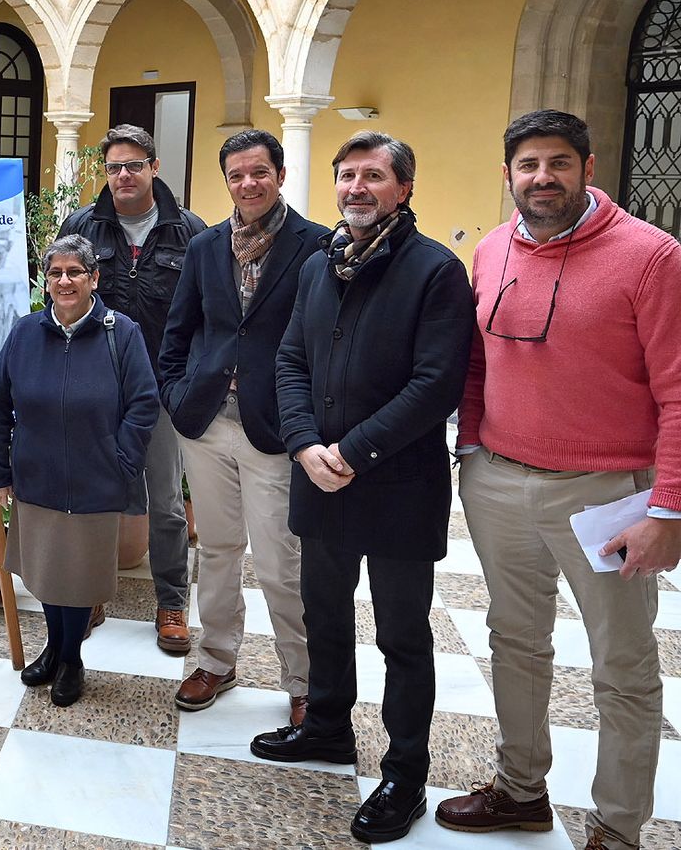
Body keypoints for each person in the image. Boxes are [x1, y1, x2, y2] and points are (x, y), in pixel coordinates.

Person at [436, 111, 681, 850]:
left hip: (607, 492)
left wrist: (668, 507)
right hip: (501, 480)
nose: (542, 178)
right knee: (514, 639)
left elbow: (678, 387)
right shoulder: (489, 249)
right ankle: (519, 789)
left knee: (622, 663)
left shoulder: (651, 256)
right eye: (527, 165)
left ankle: (617, 826)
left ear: (588, 165)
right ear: (508, 173)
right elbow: (477, 363)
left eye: (558, 163)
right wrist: (473, 449)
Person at [249, 131, 472, 845]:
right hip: (320, 477)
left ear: (404, 187)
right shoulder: (322, 264)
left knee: (403, 634)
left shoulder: (435, 270)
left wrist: (353, 448)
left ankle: (405, 772)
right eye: (347, 175)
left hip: (399, 483)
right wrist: (305, 443)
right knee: (324, 612)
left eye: (373, 175)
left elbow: (436, 382)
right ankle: (326, 726)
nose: (355, 187)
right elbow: (289, 358)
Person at [159, 129, 328, 725]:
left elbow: (323, 342)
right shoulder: (205, 247)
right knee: (220, 549)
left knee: (282, 562)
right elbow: (178, 332)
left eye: (259, 172)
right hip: (206, 424)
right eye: (236, 175)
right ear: (225, 181)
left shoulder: (316, 245)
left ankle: (303, 680)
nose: (247, 184)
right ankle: (216, 658)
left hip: (277, 429)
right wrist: (177, 396)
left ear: (279, 175)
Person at [0, 235, 160, 706]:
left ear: (93, 279)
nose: (65, 281)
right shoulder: (25, 333)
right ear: (47, 281)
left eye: (75, 273)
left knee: (79, 579)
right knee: (46, 571)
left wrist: (121, 460)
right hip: (36, 478)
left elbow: (144, 404)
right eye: (56, 273)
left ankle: (71, 660)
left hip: (95, 479)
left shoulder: (121, 333)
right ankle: (53, 647)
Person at [58, 124, 204, 653]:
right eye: (115, 166)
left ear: (154, 168)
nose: (124, 175)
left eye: (134, 165)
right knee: (97, 495)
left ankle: (171, 603)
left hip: (161, 388)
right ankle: (92, 592)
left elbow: (204, 311)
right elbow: (60, 293)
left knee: (165, 501)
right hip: (96, 386)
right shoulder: (83, 224)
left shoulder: (188, 230)